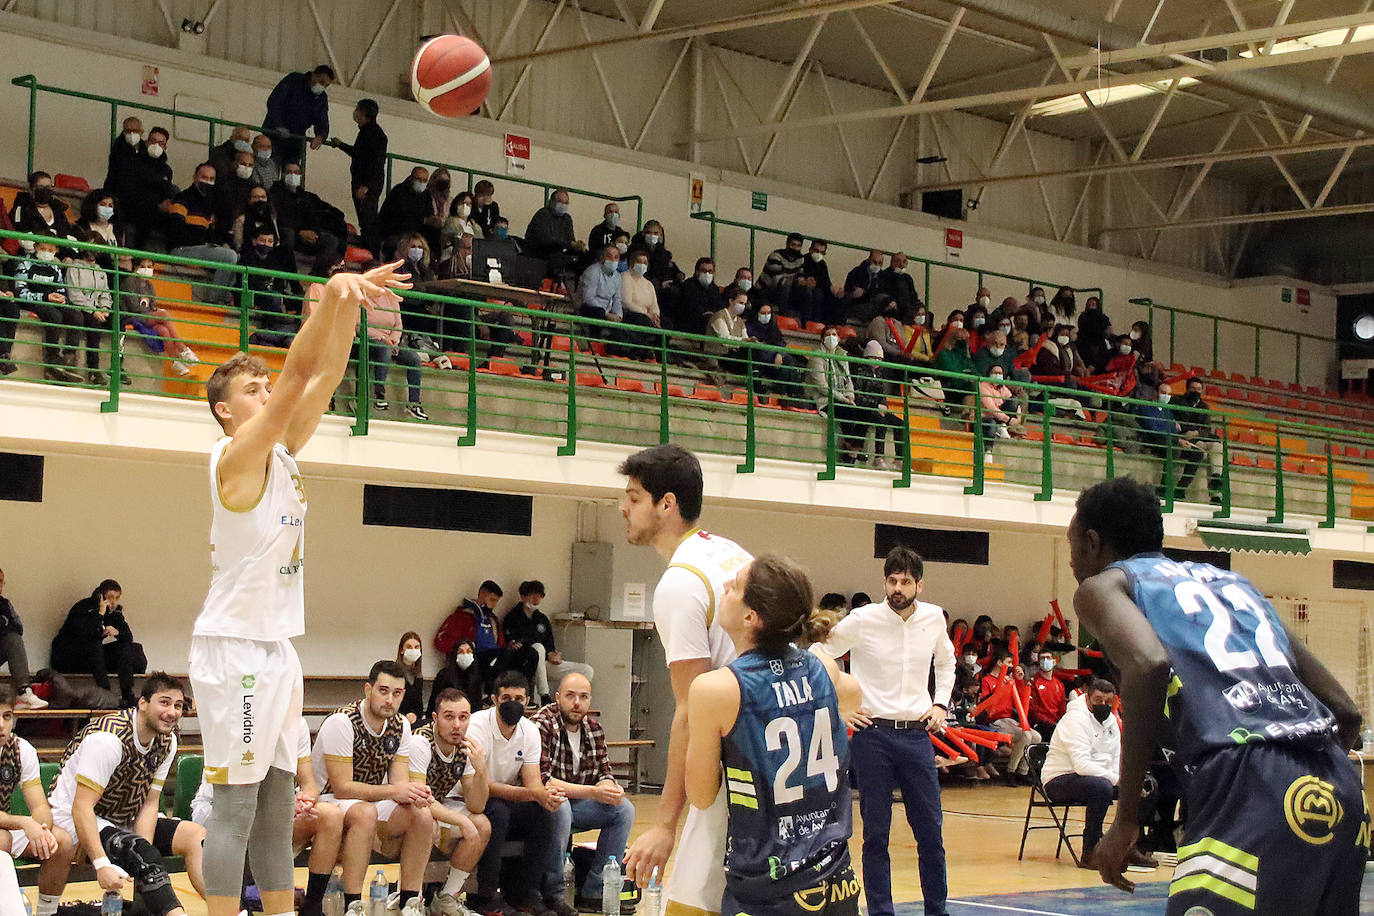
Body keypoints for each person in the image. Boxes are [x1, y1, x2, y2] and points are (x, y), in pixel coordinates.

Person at [194, 262, 412, 916]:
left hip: (277, 648)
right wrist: (332, 297)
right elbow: (294, 378)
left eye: (263, 385)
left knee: (279, 802)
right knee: (234, 808)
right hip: (234, 649)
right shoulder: (231, 459)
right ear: (225, 411)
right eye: (250, 389)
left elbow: (326, 375)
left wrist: (352, 307)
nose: (266, 392)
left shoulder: (283, 455)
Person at [1067, 476, 1368, 908]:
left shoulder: (1105, 585)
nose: (1074, 564)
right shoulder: (1237, 586)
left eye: (1072, 547)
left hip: (1245, 784)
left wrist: (1126, 818)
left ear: (1091, 543)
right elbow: (1346, 713)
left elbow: (1148, 664)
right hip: (1338, 786)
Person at [617, 445, 753, 916]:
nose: (622, 508)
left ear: (666, 504)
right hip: (775, 758)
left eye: (633, 497)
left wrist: (665, 824)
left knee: (689, 905)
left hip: (730, 767)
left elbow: (689, 713)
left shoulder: (679, 583)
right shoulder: (733, 553)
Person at [687, 555, 863, 916]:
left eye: (734, 586)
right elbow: (855, 692)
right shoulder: (824, 668)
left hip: (769, 886)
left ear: (752, 617)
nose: (724, 588)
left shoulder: (716, 689)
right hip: (836, 877)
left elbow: (702, 795)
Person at [817, 547, 954, 916]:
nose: (898, 587)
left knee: (930, 833)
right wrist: (841, 706)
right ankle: (881, 911)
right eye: (892, 581)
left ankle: (936, 910)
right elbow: (818, 653)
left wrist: (941, 703)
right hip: (872, 735)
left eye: (906, 582)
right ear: (884, 582)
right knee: (875, 834)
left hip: (916, 735)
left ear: (919, 585)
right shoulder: (862, 619)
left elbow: (946, 661)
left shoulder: (934, 619)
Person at [47, 674, 206, 916]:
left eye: (178, 706)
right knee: (141, 851)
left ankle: (225, 909)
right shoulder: (108, 740)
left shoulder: (167, 742)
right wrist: (100, 862)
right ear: (142, 703)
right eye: (164, 703)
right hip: (74, 818)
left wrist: (142, 853)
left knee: (195, 836)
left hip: (123, 816)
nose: (172, 712)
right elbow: (82, 808)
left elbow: (150, 802)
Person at [189, 717, 347, 916]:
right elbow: (242, 801)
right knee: (253, 817)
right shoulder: (239, 718)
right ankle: (237, 907)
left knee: (329, 815)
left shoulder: (296, 724)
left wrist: (303, 801)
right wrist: (287, 807)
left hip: (269, 811)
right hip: (218, 811)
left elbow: (309, 786)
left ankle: (312, 907)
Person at [466, 672, 566, 916]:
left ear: (528, 701)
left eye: (519, 698)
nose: (513, 703)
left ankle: (525, 892)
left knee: (545, 813)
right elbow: (485, 785)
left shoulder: (530, 731)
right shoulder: (477, 725)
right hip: (474, 797)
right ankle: (485, 895)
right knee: (498, 812)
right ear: (494, 700)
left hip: (510, 797)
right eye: (506, 697)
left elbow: (533, 784)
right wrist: (535, 794)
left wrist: (545, 797)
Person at [537, 673, 632, 915]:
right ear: (558, 697)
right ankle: (554, 892)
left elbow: (604, 772)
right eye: (570, 696)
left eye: (583, 697)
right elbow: (543, 780)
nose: (576, 703)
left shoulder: (594, 729)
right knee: (561, 805)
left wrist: (610, 787)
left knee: (624, 810)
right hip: (544, 803)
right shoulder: (543, 724)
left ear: (590, 701)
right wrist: (593, 792)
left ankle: (594, 890)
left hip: (580, 802)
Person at [407, 688, 492, 916]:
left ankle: (447, 897)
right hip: (404, 807)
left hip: (434, 805)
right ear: (435, 718)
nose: (457, 725)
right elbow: (419, 798)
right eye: (449, 717)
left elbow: (476, 806)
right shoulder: (420, 742)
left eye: (463, 717)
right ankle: (410, 899)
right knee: (428, 821)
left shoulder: (465, 747)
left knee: (482, 824)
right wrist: (460, 822)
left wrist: (482, 769)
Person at [1040, 679, 1135, 868]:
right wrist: (1118, 780)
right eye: (1098, 700)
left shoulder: (1112, 722)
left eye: (1108, 702)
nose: (1103, 705)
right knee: (1101, 788)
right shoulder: (1075, 719)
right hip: (1059, 779)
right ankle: (1091, 852)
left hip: (1098, 778)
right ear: (1088, 698)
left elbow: (1116, 758)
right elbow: (1081, 766)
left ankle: (1131, 847)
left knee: (1145, 785)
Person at [0, 683, 73, 915]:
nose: (2, 725)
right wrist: (23, 822)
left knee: (60, 841)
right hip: (4, 830)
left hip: (5, 825)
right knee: (2, 840)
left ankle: (46, 912)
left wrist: (42, 830)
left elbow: (40, 804)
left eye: (7, 716)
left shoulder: (22, 750)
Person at [435, 583, 539, 696]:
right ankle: (489, 694)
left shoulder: (492, 619)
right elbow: (440, 641)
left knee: (530, 654)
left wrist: (510, 646)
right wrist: (464, 648)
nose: (493, 604)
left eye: (496, 601)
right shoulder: (463, 616)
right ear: (481, 595)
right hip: (475, 658)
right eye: (492, 599)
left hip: (496, 658)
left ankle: (524, 693)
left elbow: (501, 645)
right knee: (499, 656)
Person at [51, 579, 141, 708]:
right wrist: (100, 614)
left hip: (93, 658)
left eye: (117, 598)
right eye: (110, 598)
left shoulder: (114, 613)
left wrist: (118, 632)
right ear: (101, 596)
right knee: (94, 645)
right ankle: (106, 691)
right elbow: (85, 635)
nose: (114, 602)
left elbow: (128, 637)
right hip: (69, 656)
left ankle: (127, 694)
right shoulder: (83, 608)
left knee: (125, 647)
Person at [4, 238, 82, 383]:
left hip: (52, 300)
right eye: (43, 249)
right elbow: (20, 292)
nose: (47, 253)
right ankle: (52, 361)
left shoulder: (55, 267)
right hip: (33, 301)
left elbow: (60, 287)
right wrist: (45, 297)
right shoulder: (25, 264)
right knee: (54, 316)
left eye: (51, 250)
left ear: (56, 251)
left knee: (75, 316)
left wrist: (61, 297)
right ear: (35, 247)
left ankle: (68, 361)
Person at [504, 581, 593, 704]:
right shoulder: (512, 617)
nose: (536, 599)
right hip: (524, 664)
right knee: (538, 648)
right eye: (532, 595)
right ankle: (544, 695)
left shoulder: (542, 619)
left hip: (543, 664)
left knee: (587, 670)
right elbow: (511, 643)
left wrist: (553, 655)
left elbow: (549, 646)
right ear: (523, 596)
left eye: (539, 596)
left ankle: (570, 702)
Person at [166, 163, 239, 307]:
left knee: (237, 255)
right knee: (229, 257)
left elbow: (219, 230)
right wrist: (204, 242)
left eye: (211, 179)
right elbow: (175, 230)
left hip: (199, 248)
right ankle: (214, 300)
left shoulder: (212, 202)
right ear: (194, 178)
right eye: (204, 177)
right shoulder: (182, 198)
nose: (207, 182)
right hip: (180, 249)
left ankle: (225, 298)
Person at [119, 256, 200, 377]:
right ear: (135, 268)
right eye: (142, 267)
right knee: (165, 314)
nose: (146, 269)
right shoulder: (129, 282)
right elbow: (134, 308)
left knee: (164, 330)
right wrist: (152, 311)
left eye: (149, 267)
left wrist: (153, 310)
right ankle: (182, 348)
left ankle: (175, 362)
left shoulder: (149, 286)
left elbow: (152, 305)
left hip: (145, 316)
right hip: (132, 316)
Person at [327, 99, 387, 253]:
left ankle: (372, 253)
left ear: (363, 113)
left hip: (366, 185)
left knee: (368, 221)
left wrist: (366, 186)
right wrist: (341, 145)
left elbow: (375, 163)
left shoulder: (375, 135)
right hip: (363, 183)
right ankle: (368, 250)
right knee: (365, 220)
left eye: (358, 110)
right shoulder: (367, 132)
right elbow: (359, 154)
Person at [269, 161, 347, 275]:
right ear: (283, 174)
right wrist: (299, 231)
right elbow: (279, 218)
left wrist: (315, 232)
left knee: (331, 240)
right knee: (288, 235)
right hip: (287, 234)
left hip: (308, 236)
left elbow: (329, 212)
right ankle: (290, 278)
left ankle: (316, 275)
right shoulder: (275, 193)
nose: (292, 175)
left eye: (296, 172)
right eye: (289, 172)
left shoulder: (307, 197)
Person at [808, 328, 862, 463]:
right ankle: (852, 448)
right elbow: (822, 387)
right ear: (822, 339)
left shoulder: (842, 355)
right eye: (827, 335)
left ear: (838, 338)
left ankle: (852, 449)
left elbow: (848, 380)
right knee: (848, 410)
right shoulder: (817, 356)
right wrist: (843, 399)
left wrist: (850, 397)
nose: (831, 337)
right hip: (824, 400)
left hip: (842, 399)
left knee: (864, 413)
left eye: (834, 334)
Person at [263, 65, 334, 166]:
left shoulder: (322, 98)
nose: (322, 87)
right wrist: (279, 125)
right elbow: (274, 102)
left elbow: (322, 119)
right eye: (322, 82)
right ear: (314, 75)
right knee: (268, 166)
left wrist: (320, 135)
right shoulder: (293, 80)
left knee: (292, 172)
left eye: (326, 85)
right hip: (273, 132)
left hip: (296, 140)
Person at [1171, 376, 1223, 505]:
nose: (1196, 391)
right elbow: (1173, 420)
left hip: (1199, 436)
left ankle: (1216, 484)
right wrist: (1188, 432)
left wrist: (1197, 432)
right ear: (1187, 389)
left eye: (1199, 389)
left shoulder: (1203, 406)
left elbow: (1207, 428)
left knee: (1217, 447)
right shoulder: (1176, 401)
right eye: (1193, 388)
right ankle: (1181, 488)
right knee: (1200, 449)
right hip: (1184, 436)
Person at [0, 572, 43, 709]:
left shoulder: (4, 604)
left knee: (14, 640)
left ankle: (24, 691)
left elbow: (18, 628)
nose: (0, 585)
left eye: (1, 582)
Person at [377, 168, 431, 258]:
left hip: (416, 235)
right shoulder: (399, 191)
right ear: (411, 178)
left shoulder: (426, 195)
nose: (421, 183)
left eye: (424, 180)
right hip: (395, 234)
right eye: (418, 179)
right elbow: (393, 216)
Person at [429, 641, 485, 718]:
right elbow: (433, 704)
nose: (465, 654)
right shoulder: (443, 675)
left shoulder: (477, 675)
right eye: (461, 652)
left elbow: (478, 706)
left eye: (469, 651)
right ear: (455, 655)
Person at [756, 233, 805, 308]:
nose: (795, 248)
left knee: (808, 292)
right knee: (786, 287)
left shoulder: (800, 259)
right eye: (793, 245)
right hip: (765, 290)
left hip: (786, 290)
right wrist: (799, 282)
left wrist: (806, 283)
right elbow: (778, 281)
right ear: (787, 244)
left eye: (798, 246)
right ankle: (783, 317)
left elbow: (800, 276)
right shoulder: (776, 256)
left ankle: (807, 319)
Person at [1027, 651, 1067, 740]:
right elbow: (1033, 710)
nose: (1045, 660)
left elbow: (1062, 709)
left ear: (1054, 661)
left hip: (1056, 725)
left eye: (1048, 658)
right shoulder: (1032, 682)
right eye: (1042, 658)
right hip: (1040, 725)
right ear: (1038, 662)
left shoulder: (1059, 684)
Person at [396, 632, 426, 724]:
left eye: (416, 647)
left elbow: (418, 705)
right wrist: (405, 716)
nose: (413, 650)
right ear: (401, 650)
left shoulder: (418, 675)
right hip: (397, 720)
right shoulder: (394, 672)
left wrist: (415, 714)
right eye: (409, 647)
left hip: (414, 721)